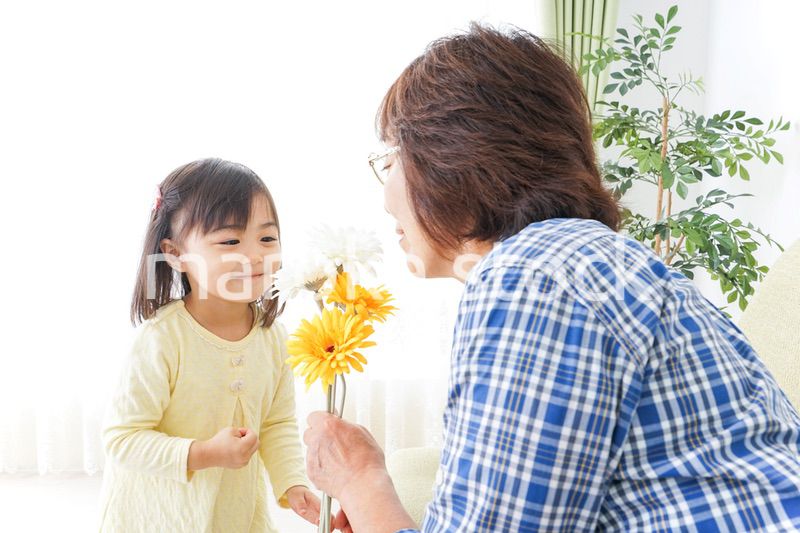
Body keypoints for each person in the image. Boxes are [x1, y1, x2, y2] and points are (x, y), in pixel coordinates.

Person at [303, 23, 800, 532]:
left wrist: (361, 480)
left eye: (392, 157)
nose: (387, 186)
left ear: (450, 157)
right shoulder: (587, 262)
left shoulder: (534, 277)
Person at [98, 158, 321, 532]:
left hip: (236, 516)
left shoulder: (273, 337)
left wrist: (292, 484)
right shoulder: (162, 340)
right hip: (157, 518)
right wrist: (203, 454)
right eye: (230, 241)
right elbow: (122, 440)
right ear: (175, 254)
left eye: (267, 238)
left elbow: (277, 422)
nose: (253, 256)